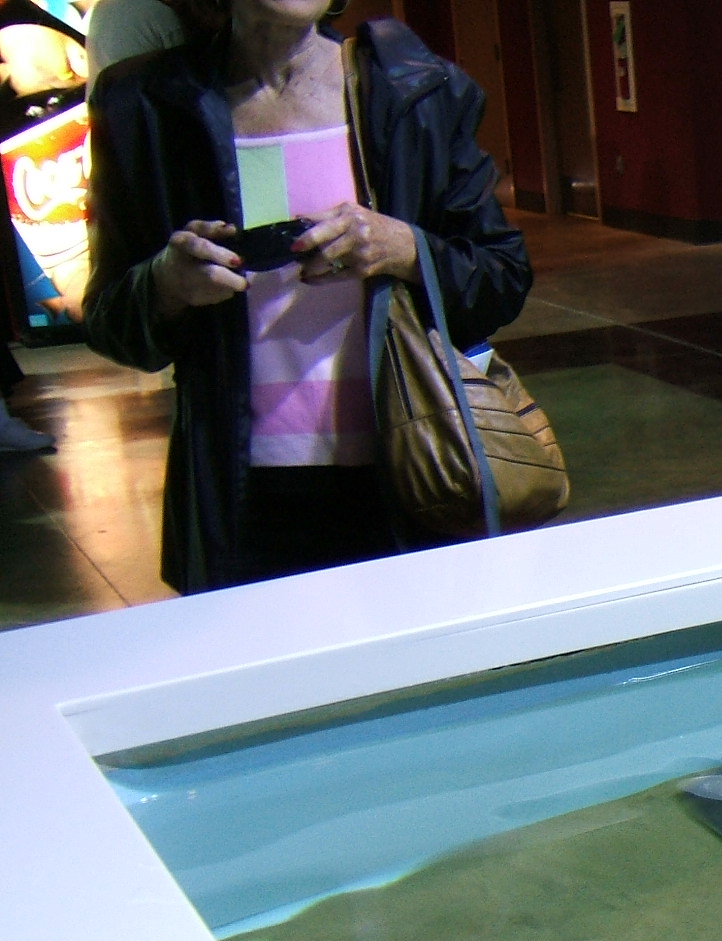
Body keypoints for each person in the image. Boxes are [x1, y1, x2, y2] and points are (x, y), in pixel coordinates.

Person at [83, 0, 530, 593]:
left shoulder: (416, 94)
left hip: (411, 465)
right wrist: (165, 285)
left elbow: (501, 276)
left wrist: (406, 248)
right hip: (240, 491)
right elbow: (110, 319)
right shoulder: (145, 107)